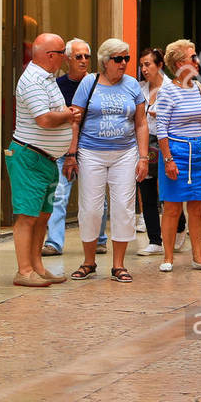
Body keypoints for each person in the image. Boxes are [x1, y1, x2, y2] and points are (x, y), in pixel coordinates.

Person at [64, 38, 148, 283]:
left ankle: (119, 265)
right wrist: (71, 154)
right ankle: (89, 261)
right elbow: (75, 120)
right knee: (90, 208)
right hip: (91, 152)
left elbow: (141, 123)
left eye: (126, 59)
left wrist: (143, 157)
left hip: (125, 153)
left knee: (123, 207)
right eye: (118, 59)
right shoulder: (89, 83)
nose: (123, 64)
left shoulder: (132, 85)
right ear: (105, 61)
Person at [6, 31, 82, 287]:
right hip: (29, 157)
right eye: (63, 54)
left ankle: (37, 266)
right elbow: (45, 118)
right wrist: (69, 115)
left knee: (42, 215)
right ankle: (24, 270)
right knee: (27, 215)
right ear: (52, 56)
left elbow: (54, 111)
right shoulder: (33, 81)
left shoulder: (48, 79)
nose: (66, 58)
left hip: (46, 159)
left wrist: (63, 112)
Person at [155, 40, 201, 272]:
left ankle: (198, 257)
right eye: (193, 57)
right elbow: (161, 128)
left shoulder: (198, 87)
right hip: (176, 153)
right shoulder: (167, 90)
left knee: (198, 208)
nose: (197, 61)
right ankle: (168, 257)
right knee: (172, 207)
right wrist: (168, 159)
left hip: (199, 154)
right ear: (180, 63)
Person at [43, 39, 107, 257]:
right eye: (78, 56)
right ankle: (54, 242)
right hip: (63, 149)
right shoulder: (58, 86)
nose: (83, 60)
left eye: (86, 56)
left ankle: (99, 238)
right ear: (68, 59)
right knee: (58, 196)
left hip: (92, 148)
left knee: (97, 197)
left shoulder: (99, 84)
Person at [137, 47, 185, 256]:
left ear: (160, 66)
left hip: (167, 142)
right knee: (146, 189)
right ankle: (154, 239)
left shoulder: (172, 88)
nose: (144, 69)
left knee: (168, 191)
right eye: (141, 65)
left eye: (148, 64)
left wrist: (164, 116)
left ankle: (180, 226)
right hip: (146, 143)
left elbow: (184, 116)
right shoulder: (139, 89)